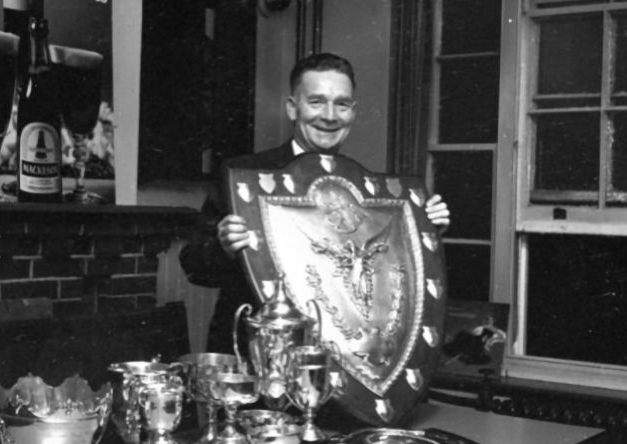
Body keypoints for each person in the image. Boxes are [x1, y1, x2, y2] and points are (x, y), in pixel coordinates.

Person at [179, 52, 450, 353]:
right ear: (293, 109)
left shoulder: (373, 192)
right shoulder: (244, 178)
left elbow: (387, 282)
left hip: (340, 363)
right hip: (257, 359)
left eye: (341, 104)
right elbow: (193, 266)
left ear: (353, 112)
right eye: (317, 101)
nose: (330, 116)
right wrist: (223, 246)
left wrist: (424, 229)